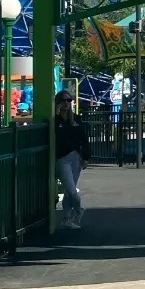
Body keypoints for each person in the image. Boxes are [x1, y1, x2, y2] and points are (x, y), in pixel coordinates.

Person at [54, 90, 91, 230]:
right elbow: (56, 133)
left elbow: (84, 139)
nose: (66, 103)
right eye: (63, 100)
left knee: (69, 191)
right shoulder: (55, 120)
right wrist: (57, 115)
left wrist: (85, 157)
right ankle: (79, 210)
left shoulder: (76, 119)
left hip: (76, 157)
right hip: (62, 158)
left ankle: (67, 218)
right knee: (71, 190)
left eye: (69, 100)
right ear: (57, 103)